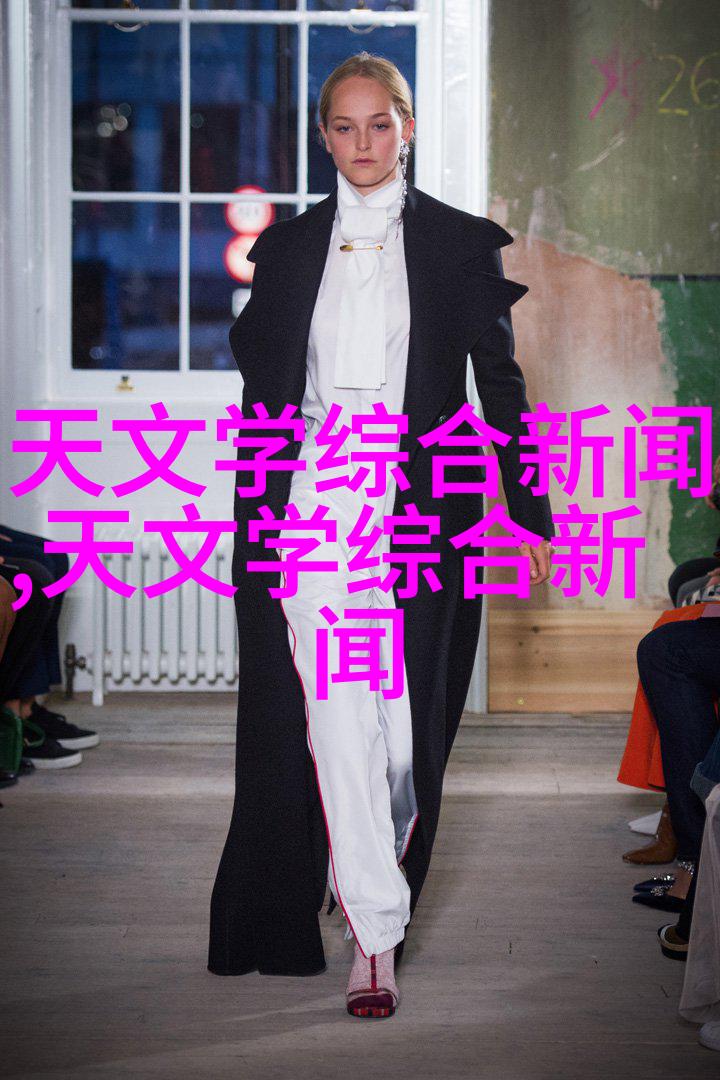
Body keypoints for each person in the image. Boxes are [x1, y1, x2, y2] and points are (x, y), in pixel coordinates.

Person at [208, 52, 553, 1018]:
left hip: (419, 509)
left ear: (406, 127)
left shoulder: (457, 244)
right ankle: (375, 938)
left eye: (379, 123)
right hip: (313, 502)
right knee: (331, 714)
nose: (363, 143)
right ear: (324, 137)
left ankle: (370, 878)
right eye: (344, 126)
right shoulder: (288, 250)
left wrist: (527, 506)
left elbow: (502, 386)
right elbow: (265, 399)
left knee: (400, 729)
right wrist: (255, 516)